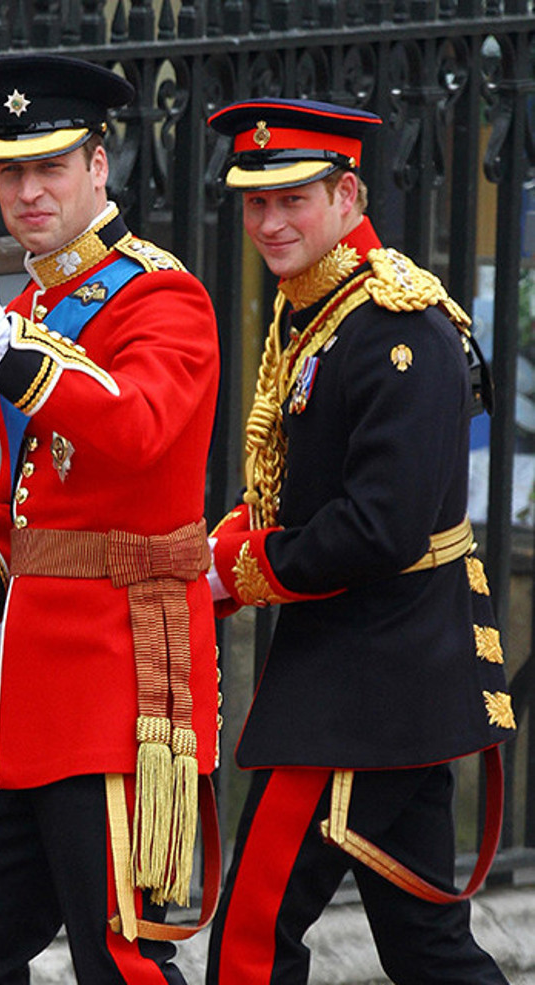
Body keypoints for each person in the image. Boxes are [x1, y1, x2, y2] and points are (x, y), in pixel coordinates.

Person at [0, 53, 221, 985]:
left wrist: (9, 347)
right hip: (33, 691)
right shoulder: (39, 299)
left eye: (50, 167)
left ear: (99, 165)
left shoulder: (162, 295)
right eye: (11, 171)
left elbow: (134, 427)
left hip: (122, 680)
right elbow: (31, 489)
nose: (29, 191)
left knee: (121, 956)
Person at [204, 97, 517, 984]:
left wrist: (241, 570)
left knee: (250, 939)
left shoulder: (396, 325)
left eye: (292, 199)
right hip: (381, 677)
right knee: (428, 948)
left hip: (365, 681)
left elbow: (377, 526)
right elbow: (292, 477)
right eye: (256, 204)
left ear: (347, 194)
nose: (269, 222)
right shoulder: (318, 302)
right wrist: (228, 537)